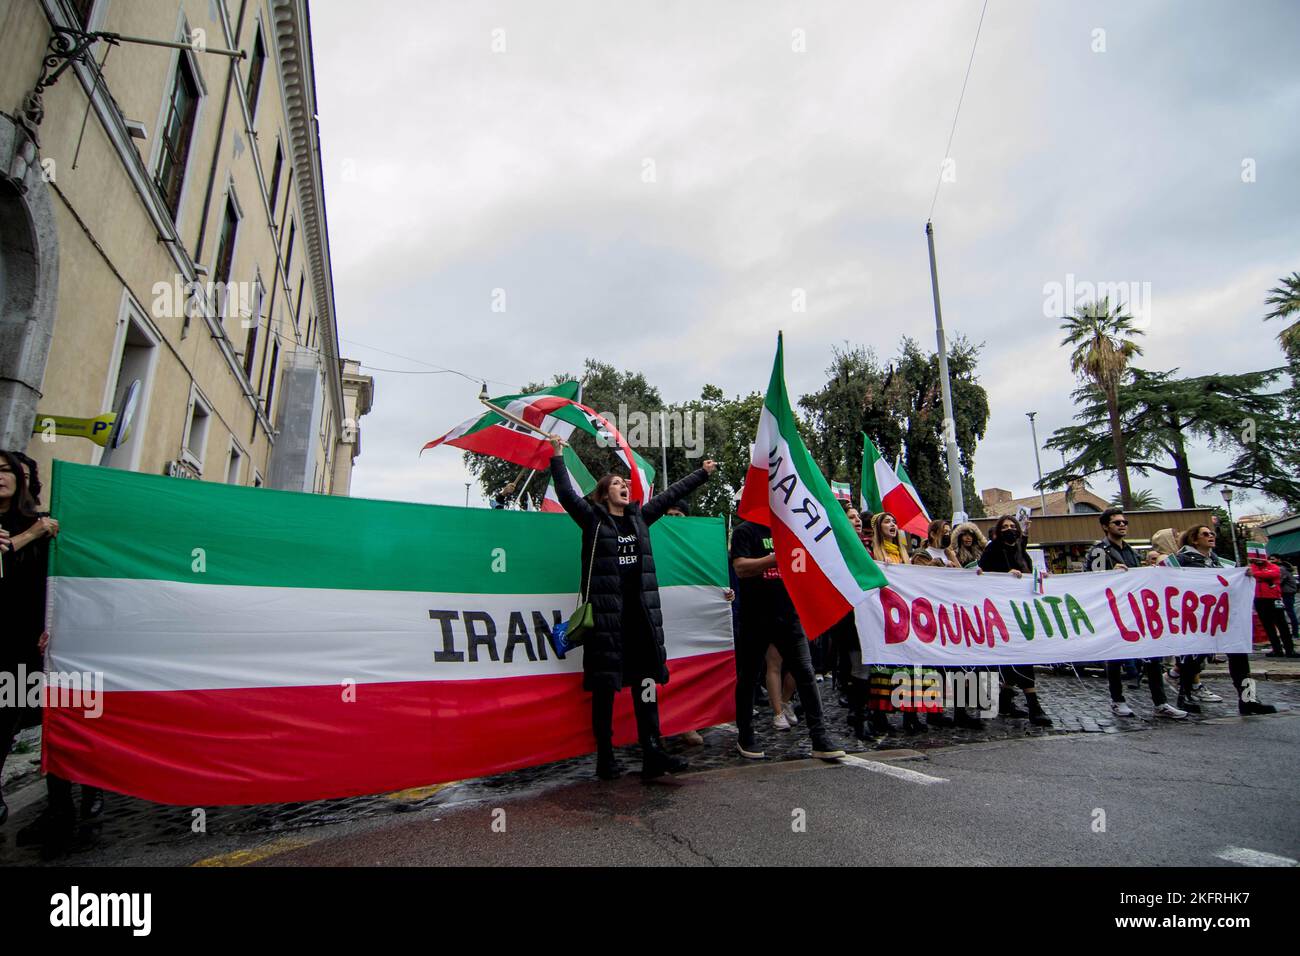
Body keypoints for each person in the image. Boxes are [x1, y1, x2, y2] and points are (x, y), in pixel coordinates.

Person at [547, 435, 714, 780]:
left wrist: (702, 473)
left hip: (640, 618)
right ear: (605, 493)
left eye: (625, 484)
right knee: (606, 687)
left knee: (647, 682)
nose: (624, 487)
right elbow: (565, 494)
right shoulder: (592, 520)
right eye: (617, 484)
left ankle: (653, 751)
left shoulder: (640, 518)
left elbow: (669, 496)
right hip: (608, 620)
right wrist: (557, 453)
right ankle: (605, 758)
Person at [0, 449, 80, 853]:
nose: (0, 477)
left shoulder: (46, 524)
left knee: (53, 719)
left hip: (29, 643)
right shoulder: (35, 529)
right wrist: (27, 537)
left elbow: (62, 581)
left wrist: (54, 625)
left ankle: (65, 808)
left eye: (5, 470)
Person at [730, 519, 847, 761]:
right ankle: (746, 735)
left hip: (789, 616)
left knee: (805, 672)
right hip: (755, 618)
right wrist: (774, 559)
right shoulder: (745, 531)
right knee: (749, 676)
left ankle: (820, 737)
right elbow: (740, 567)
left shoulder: (791, 527)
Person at [1084, 507, 1188, 720]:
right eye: (1117, 522)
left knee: (1152, 655)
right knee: (1115, 657)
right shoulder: (1099, 551)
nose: (1122, 525)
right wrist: (1110, 574)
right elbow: (1091, 579)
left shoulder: (1130, 551)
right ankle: (1117, 700)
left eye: (1124, 522)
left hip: (1136, 610)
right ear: (1105, 526)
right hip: (1113, 612)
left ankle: (1161, 703)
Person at [1169, 525, 1275, 715]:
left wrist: (1246, 575)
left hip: (1225, 616)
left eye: (1212, 533)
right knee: (1194, 659)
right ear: (1194, 539)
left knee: (1239, 657)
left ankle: (1248, 699)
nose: (1211, 536)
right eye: (1205, 534)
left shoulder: (1221, 562)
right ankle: (1184, 696)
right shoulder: (1181, 559)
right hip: (1199, 617)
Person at [864, 512, 939, 735]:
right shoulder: (872, 553)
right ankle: (880, 715)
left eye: (894, 521)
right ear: (878, 528)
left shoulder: (906, 556)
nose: (893, 525)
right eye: (887, 522)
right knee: (887, 668)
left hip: (907, 618)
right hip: (884, 619)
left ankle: (911, 714)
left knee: (913, 666)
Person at [977, 514, 1052, 726]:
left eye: (1012, 526)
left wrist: (1039, 576)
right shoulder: (992, 550)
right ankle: (1034, 704)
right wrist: (1004, 575)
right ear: (997, 531)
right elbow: (982, 575)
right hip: (1001, 613)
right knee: (1021, 655)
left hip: (1022, 612)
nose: (1009, 529)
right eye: (1005, 527)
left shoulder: (1021, 551)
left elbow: (1031, 573)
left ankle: (1005, 696)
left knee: (1018, 655)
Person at [1247, 545, 1297, 658]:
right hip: (1260, 600)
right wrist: (1260, 575)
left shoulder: (1274, 567)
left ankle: (1290, 649)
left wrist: (1255, 575)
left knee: (1282, 625)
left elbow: (1273, 574)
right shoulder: (1253, 567)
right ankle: (1277, 649)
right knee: (1268, 626)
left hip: (1274, 598)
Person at [1280, 560, 1299, 639]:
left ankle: (1294, 634)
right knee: (1290, 612)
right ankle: (1294, 633)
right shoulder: (1286, 569)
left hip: (1287, 593)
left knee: (1290, 612)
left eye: (1273, 559)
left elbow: (1279, 581)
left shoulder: (1282, 569)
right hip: (1288, 593)